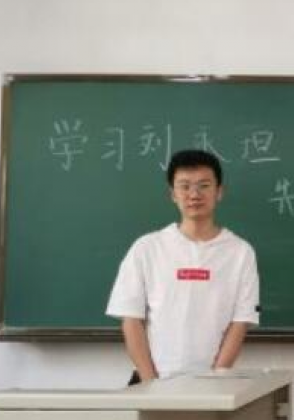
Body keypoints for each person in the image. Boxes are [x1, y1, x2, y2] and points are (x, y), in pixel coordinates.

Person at [106, 149, 259, 384]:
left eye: (204, 185)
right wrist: (151, 383)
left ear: (219, 191)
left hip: (213, 384)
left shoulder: (240, 252)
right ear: (172, 194)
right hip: (151, 381)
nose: (194, 194)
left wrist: (213, 379)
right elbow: (131, 319)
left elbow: (241, 321)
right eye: (185, 186)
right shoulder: (147, 248)